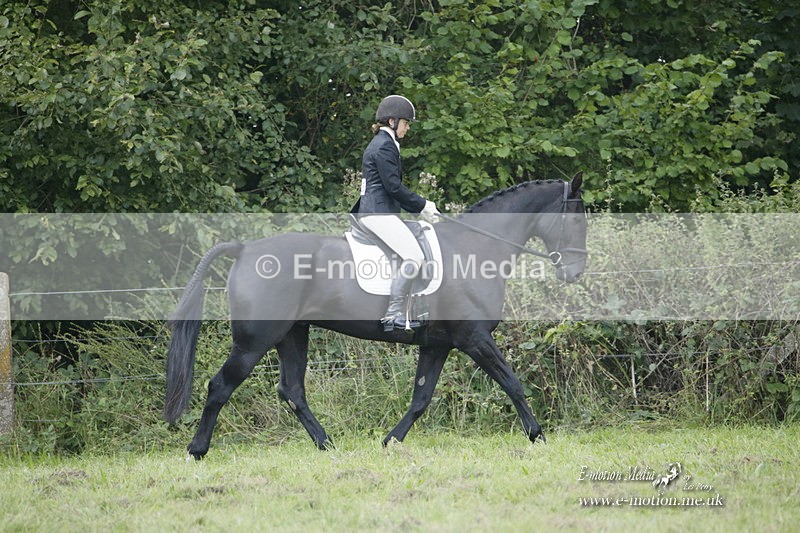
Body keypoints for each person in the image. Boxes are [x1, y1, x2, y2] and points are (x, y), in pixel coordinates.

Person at [352, 95, 440, 331]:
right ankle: (393, 314)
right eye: (406, 123)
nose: (407, 128)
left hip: (378, 211)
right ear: (392, 121)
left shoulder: (383, 143)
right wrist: (422, 205)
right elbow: (393, 187)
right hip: (378, 213)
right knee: (414, 257)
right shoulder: (384, 146)